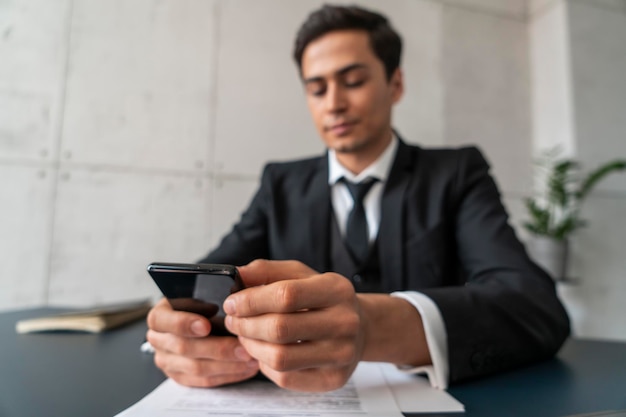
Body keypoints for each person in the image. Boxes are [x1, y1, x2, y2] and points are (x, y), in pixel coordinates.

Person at [146, 4, 570, 392]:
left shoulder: (456, 174)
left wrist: (375, 326)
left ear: (396, 83)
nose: (334, 104)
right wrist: (178, 327)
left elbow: (534, 306)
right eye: (316, 89)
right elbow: (204, 282)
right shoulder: (281, 184)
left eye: (353, 81)